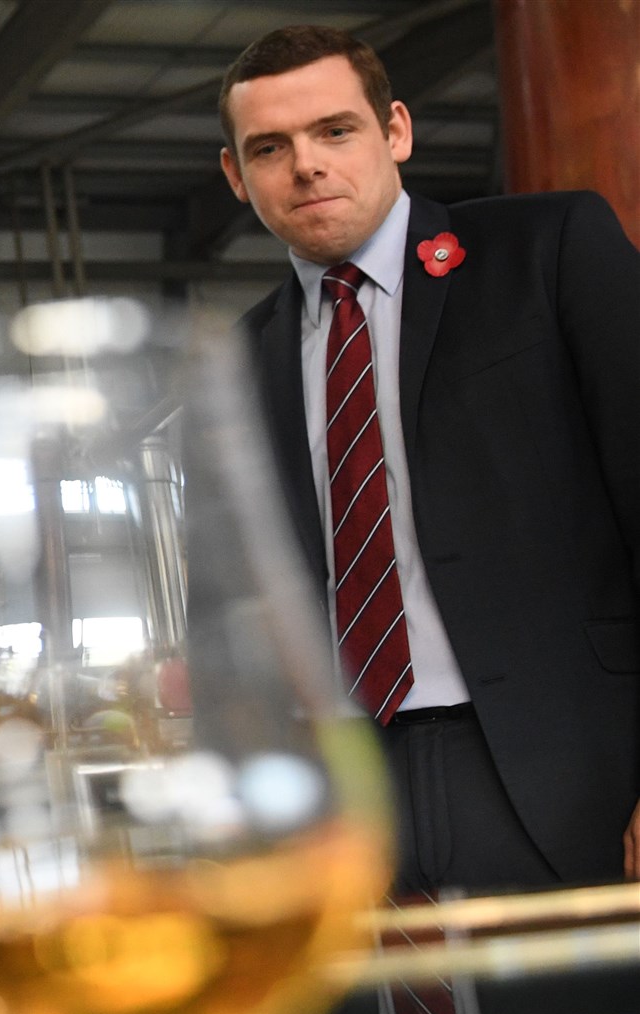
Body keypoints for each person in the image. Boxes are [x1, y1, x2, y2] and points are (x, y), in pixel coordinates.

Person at [216, 25, 640, 894]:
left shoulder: (549, 251)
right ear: (237, 177)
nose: (306, 165)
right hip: (343, 795)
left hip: (560, 761)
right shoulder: (236, 359)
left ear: (396, 132)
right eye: (271, 147)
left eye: (335, 131)